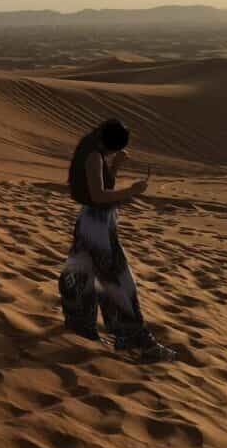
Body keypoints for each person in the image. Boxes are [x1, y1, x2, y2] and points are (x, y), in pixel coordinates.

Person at [57, 118, 176, 362]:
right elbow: (99, 196)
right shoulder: (93, 156)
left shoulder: (93, 151)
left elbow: (100, 187)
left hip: (94, 223)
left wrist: (115, 166)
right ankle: (135, 340)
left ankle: (81, 328)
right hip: (96, 226)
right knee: (118, 281)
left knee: (81, 273)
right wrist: (131, 191)